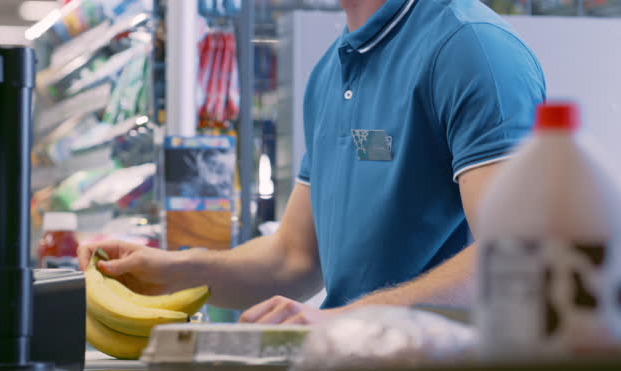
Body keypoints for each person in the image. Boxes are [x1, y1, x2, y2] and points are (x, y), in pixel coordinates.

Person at [79, 0, 546, 324]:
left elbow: (520, 257)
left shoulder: (472, 50)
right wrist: (174, 271)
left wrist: (341, 322)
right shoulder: (331, 71)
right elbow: (294, 258)